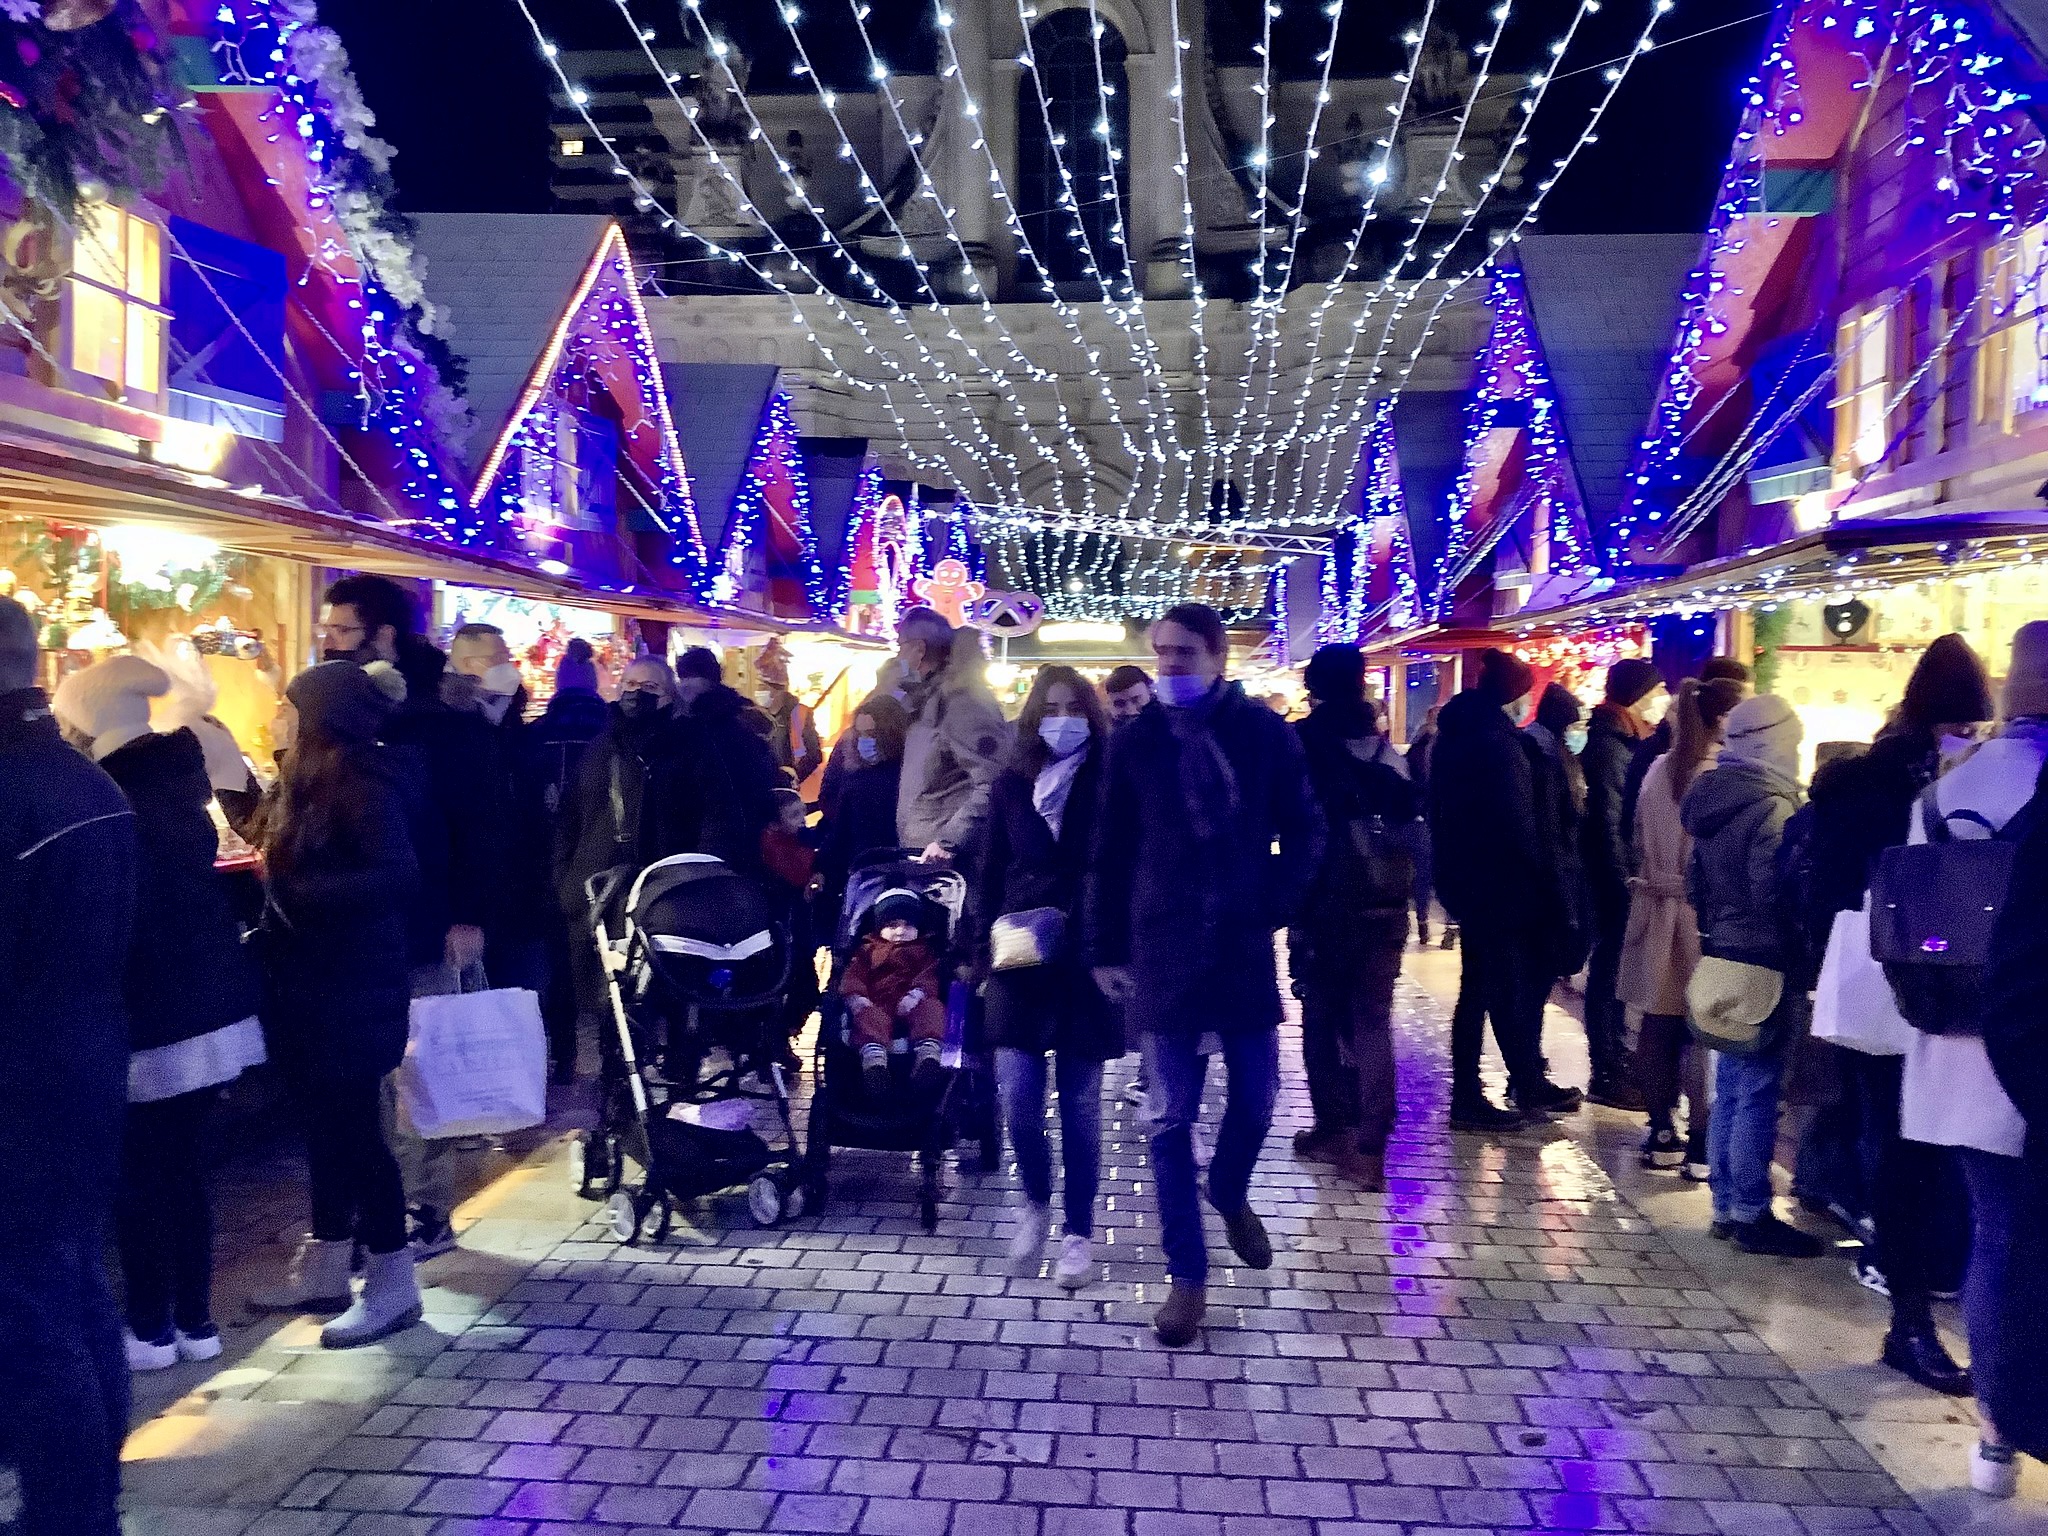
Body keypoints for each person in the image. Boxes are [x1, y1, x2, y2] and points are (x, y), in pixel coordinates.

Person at [1089, 603, 1321, 1348]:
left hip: (1240, 942)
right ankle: (1186, 1278)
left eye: (1183, 652)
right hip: (1163, 944)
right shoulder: (1137, 740)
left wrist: (1273, 903)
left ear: (1219, 656)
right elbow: (1109, 849)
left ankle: (1228, 1189)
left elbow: (1306, 828)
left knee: (1256, 1100)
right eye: (1161, 651)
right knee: (1168, 1118)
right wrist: (1104, 946)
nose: (1168, 664)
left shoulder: (1263, 733)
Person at [51, 656, 263, 1373]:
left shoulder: (108, 794)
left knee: (140, 1176)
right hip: (207, 1004)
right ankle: (196, 1321)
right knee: (184, 1170)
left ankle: (148, 1327)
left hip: (151, 1011)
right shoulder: (176, 779)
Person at [1798, 634, 1992, 1391]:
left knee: (1892, 1138)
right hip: (1944, 983)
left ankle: (1906, 1297)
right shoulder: (1963, 778)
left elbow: (1826, 884)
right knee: (1927, 1145)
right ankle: (1916, 1299)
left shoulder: (1864, 777)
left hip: (1874, 980)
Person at [1887, 624, 2048, 1489]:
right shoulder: (2035, 788)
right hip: (2027, 1044)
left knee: (1996, 1234)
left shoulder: (1946, 786)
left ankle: (1994, 1438)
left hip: (1952, 1039)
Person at [0, 597, 137, 1536]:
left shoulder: (13, 789)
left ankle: (66, 1514)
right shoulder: (88, 781)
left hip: (22, 1075)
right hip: (85, 1058)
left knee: (30, 1305)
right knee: (74, 1282)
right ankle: (88, 1504)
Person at [321, 575, 508, 1258]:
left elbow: (482, 824)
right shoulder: (358, 711)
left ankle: (425, 1211)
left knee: (420, 1068)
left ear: (384, 636)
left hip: (426, 921)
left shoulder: (439, 718)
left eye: (343, 630)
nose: (330, 642)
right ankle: (382, 1215)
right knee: (374, 1075)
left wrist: (468, 913)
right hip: (368, 924)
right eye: (328, 630)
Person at [252, 661, 425, 1347]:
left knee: (357, 1135)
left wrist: (297, 892)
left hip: (355, 986)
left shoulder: (362, 782)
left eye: (288, 705)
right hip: (315, 983)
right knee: (325, 1129)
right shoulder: (308, 779)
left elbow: (397, 875)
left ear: (319, 715)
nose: (278, 714)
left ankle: (393, 1283)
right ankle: (327, 1265)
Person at [980, 666, 1120, 1289]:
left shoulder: (1111, 780)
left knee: (1081, 1104)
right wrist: (972, 951)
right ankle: (1035, 1202)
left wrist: (1118, 948)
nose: (1062, 719)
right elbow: (989, 868)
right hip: (1019, 955)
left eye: (1074, 708)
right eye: (1051, 708)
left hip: (1087, 956)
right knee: (1017, 1097)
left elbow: (1124, 868)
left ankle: (1078, 1231)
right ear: (1034, 716)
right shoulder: (1012, 783)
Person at [1681, 693, 1823, 1258]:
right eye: (1794, 742)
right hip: (1765, 959)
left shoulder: (1711, 800)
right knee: (1758, 1091)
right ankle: (1750, 1211)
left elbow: (1695, 885)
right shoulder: (1774, 808)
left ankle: (1725, 1205)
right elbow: (1776, 893)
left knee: (1732, 1089)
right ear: (1773, 743)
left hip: (1722, 953)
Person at [1430, 649, 1582, 1131]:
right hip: (1501, 887)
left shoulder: (1457, 736)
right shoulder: (1499, 745)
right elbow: (1519, 825)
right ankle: (1476, 1096)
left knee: (1479, 989)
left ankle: (1498, 1086)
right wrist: (1547, 885)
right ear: (1513, 696)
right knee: (1493, 990)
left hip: (1468, 881)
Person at [1289, 645, 1417, 1192]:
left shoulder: (1302, 743)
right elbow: (1410, 813)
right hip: (1385, 901)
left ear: (1314, 688)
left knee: (1320, 1016)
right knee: (1372, 1022)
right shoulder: (1383, 746)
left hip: (1323, 903)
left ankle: (1333, 1127)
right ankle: (1371, 1149)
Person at [1618, 676, 1742, 1183]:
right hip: (1702, 915)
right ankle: (1703, 1141)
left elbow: (1635, 835)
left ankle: (1661, 1129)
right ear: (1723, 720)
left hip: (1655, 909)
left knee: (1657, 1023)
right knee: (1703, 1030)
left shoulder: (1657, 770)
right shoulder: (1720, 776)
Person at [1581, 658, 1665, 1111]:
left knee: (1614, 973)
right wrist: (1622, 881)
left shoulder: (1622, 741)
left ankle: (1613, 1061)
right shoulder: (1610, 748)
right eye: (1653, 692)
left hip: (1616, 877)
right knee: (1609, 974)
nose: (1659, 700)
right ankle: (1607, 1068)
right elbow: (1611, 823)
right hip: (1611, 880)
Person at [527, 638, 612, 1081]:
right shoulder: (611, 734)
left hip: (544, 860)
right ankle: (614, 1057)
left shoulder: (537, 734)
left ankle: (563, 1052)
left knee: (556, 959)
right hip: (605, 862)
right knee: (609, 961)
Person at [896, 608, 1011, 862]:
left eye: (900, 646)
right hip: (925, 856)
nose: (897, 656)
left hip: (948, 863)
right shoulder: (928, 701)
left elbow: (993, 780)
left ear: (919, 649)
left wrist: (949, 841)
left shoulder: (961, 703)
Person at [1619, 657, 1752, 865]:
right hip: (1685, 882)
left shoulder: (1662, 759)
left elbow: (1636, 827)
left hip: (1651, 878)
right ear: (1723, 718)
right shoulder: (1716, 773)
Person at [1528, 682, 1592, 1091]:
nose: (1579, 732)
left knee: (1538, 982)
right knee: (1535, 982)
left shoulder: (1551, 753)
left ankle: (1530, 1067)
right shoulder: (1546, 757)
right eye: (1575, 725)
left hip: (1557, 881)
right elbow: (1554, 832)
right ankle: (1529, 1071)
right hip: (1551, 885)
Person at [674, 645, 785, 870]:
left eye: (690, 678)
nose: (685, 686)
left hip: (715, 840)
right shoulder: (744, 717)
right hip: (745, 836)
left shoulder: (696, 726)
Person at [840, 888, 947, 1094]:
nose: (900, 931)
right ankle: (875, 1062)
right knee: (867, 1016)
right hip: (877, 1003)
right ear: (879, 928)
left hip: (913, 1003)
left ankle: (928, 1055)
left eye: (908, 925)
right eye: (892, 925)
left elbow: (929, 976)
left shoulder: (923, 951)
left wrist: (917, 994)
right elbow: (854, 975)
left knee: (933, 1008)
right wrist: (856, 997)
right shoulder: (867, 950)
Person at [818, 693, 911, 906]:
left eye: (870, 734)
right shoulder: (856, 778)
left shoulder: (909, 777)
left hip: (900, 872)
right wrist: (822, 869)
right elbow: (841, 831)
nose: (864, 741)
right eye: (860, 734)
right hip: (863, 873)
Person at [755, 638, 823, 791]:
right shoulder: (756, 715)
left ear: (776, 689)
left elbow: (814, 755)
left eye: (762, 686)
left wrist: (793, 776)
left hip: (788, 789)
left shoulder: (799, 715)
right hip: (761, 789)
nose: (758, 691)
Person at [1406, 701, 1444, 946]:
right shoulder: (1437, 748)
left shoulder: (1418, 746)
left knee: (1424, 872)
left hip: (1420, 818)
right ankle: (1430, 922)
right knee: (1429, 871)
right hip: (1431, 818)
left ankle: (1423, 920)